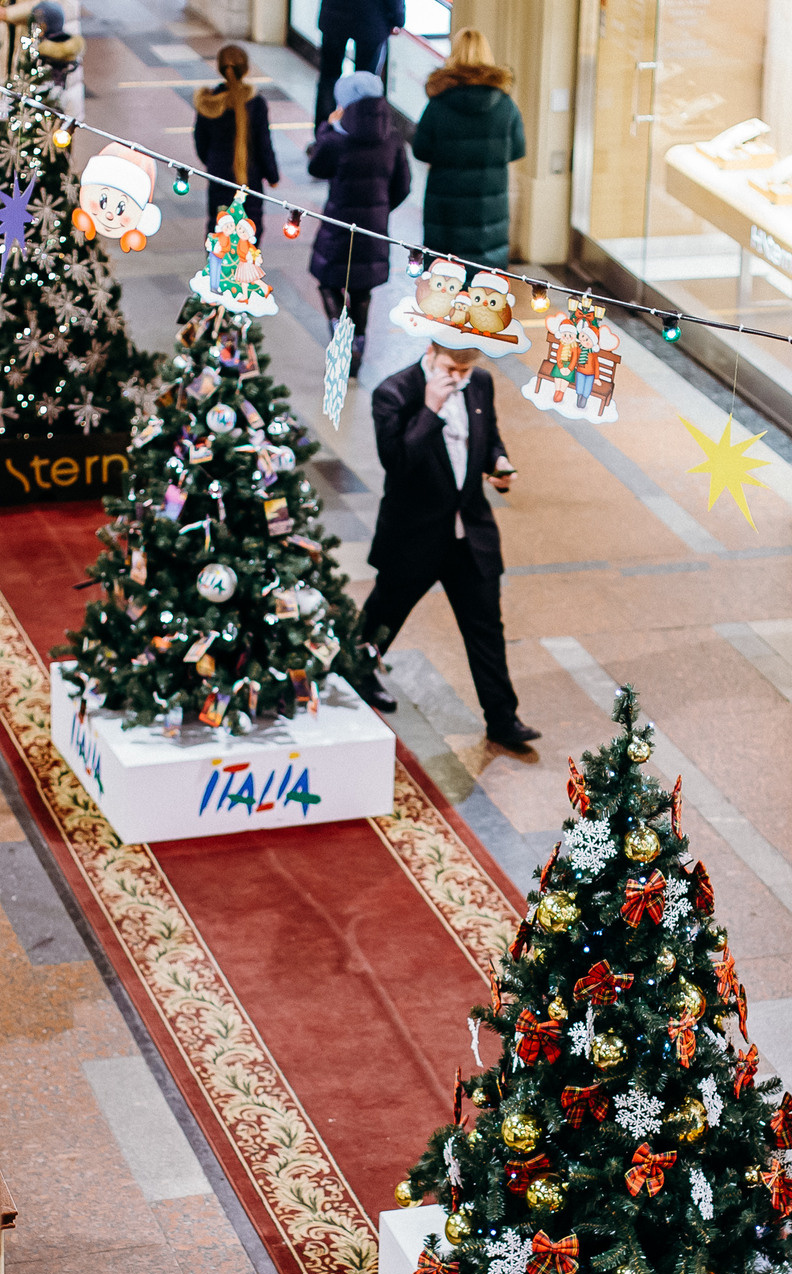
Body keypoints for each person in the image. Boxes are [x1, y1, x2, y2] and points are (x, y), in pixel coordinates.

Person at [361, 343, 538, 750]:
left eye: (465, 370)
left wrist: (499, 463)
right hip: (415, 534)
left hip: (469, 533)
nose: (458, 378)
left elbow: (488, 438)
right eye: (450, 369)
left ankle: (502, 719)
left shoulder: (481, 383)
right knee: (383, 615)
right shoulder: (393, 393)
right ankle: (358, 674)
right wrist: (431, 408)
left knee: (486, 629)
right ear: (430, 352)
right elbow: (397, 463)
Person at [307, 68, 410, 381]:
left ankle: (340, 331)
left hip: (338, 225)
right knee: (362, 290)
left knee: (329, 281)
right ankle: (359, 343)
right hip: (373, 228)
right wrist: (380, 210)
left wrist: (326, 127)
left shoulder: (337, 139)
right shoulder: (393, 139)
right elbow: (403, 186)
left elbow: (316, 167)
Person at [412, 28, 528, 267]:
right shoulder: (505, 105)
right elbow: (517, 150)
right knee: (486, 281)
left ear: (453, 54)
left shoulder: (438, 104)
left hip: (446, 210)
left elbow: (420, 150)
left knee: (445, 277)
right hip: (488, 211)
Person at [192, 44, 277, 232]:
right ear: (246, 69)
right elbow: (264, 144)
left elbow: (200, 142)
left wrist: (212, 161)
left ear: (220, 68)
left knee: (219, 225)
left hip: (219, 174)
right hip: (250, 176)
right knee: (250, 227)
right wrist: (272, 175)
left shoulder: (208, 103)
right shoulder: (256, 104)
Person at [314, 0, 400, 129]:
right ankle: (361, 132)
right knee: (365, 84)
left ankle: (323, 131)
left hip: (335, 15)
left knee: (329, 79)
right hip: (371, 18)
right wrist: (398, 18)